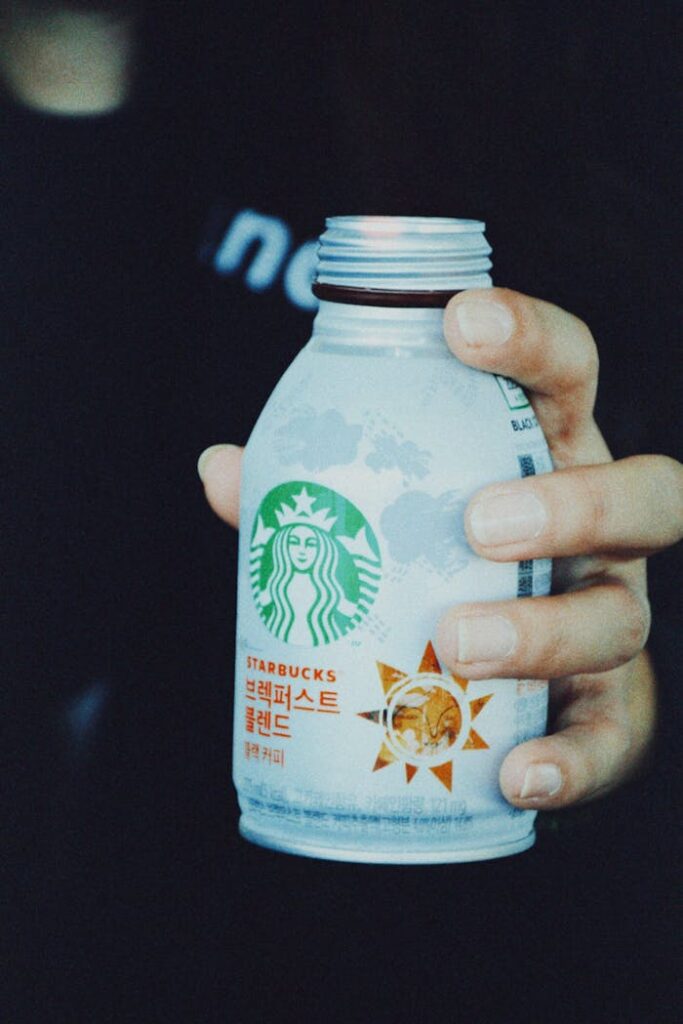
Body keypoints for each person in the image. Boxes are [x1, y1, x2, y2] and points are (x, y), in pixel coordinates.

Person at [3, 3, 681, 1020]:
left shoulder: (589, 64)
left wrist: (628, 670)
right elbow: (60, 604)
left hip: (513, 940)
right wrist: (64, 56)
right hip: (150, 923)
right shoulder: (145, 83)